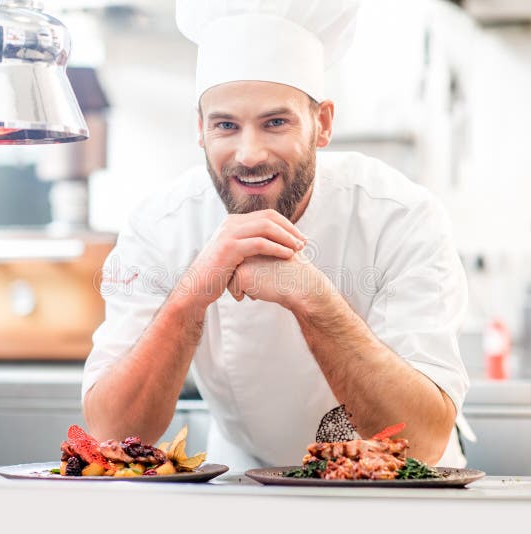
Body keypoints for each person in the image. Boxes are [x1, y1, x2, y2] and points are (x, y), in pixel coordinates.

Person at [82, 0, 470, 470]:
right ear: (200, 130)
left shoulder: (401, 216)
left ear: (322, 124)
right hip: (250, 476)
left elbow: (423, 440)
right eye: (226, 125)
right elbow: (110, 431)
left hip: (397, 482)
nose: (248, 153)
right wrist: (193, 292)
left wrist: (313, 299)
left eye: (275, 123)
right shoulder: (161, 226)